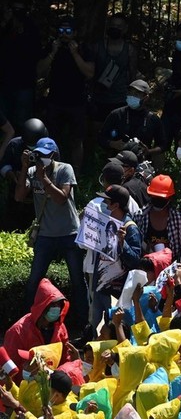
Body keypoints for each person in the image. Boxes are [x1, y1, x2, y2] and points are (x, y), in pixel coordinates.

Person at [15, 137, 89, 322]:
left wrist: (44, 178)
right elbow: (19, 196)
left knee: (78, 280)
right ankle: (28, 323)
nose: (41, 158)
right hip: (45, 236)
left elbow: (61, 198)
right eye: (38, 154)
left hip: (69, 234)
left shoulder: (65, 169)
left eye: (45, 155)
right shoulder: (32, 171)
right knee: (34, 281)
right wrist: (24, 168)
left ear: (54, 155)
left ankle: (85, 322)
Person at [37, 15, 94, 171]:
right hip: (55, 101)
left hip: (77, 102)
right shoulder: (52, 47)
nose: (64, 34)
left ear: (75, 33)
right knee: (51, 139)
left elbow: (89, 73)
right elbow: (39, 71)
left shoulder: (83, 49)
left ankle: (76, 173)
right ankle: (50, 171)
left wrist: (75, 54)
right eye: (61, 30)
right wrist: (53, 52)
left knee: (76, 140)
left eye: (68, 31)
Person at [90, 184, 142, 327]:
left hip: (117, 291)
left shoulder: (130, 229)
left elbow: (135, 261)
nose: (104, 205)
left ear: (116, 205)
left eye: (107, 202)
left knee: (113, 327)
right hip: (100, 286)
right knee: (96, 326)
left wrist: (122, 243)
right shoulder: (105, 223)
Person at [89, 13, 139, 137]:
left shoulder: (129, 50)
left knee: (118, 134)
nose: (115, 28)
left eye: (119, 26)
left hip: (120, 99)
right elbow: (90, 72)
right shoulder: (97, 47)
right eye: (113, 25)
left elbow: (132, 76)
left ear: (125, 29)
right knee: (95, 132)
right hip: (99, 98)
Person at [98, 79, 167, 161]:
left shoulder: (153, 119)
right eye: (130, 93)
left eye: (137, 94)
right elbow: (101, 137)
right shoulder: (116, 114)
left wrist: (148, 151)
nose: (132, 96)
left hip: (141, 162)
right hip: (117, 160)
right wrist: (113, 144)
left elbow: (162, 145)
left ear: (146, 97)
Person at [0, 0, 41, 128]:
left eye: (20, 10)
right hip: (5, 81)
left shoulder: (31, 28)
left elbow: (34, 54)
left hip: (24, 83)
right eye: (14, 9)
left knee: (22, 121)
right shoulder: (5, 28)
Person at [1, 117, 47, 231]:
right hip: (16, 194)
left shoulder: (48, 148)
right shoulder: (14, 144)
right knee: (12, 227)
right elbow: (4, 165)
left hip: (39, 196)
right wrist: (11, 174)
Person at [133, 174, 181, 260]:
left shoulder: (178, 220)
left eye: (161, 198)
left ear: (169, 198)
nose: (158, 200)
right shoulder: (139, 216)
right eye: (155, 197)